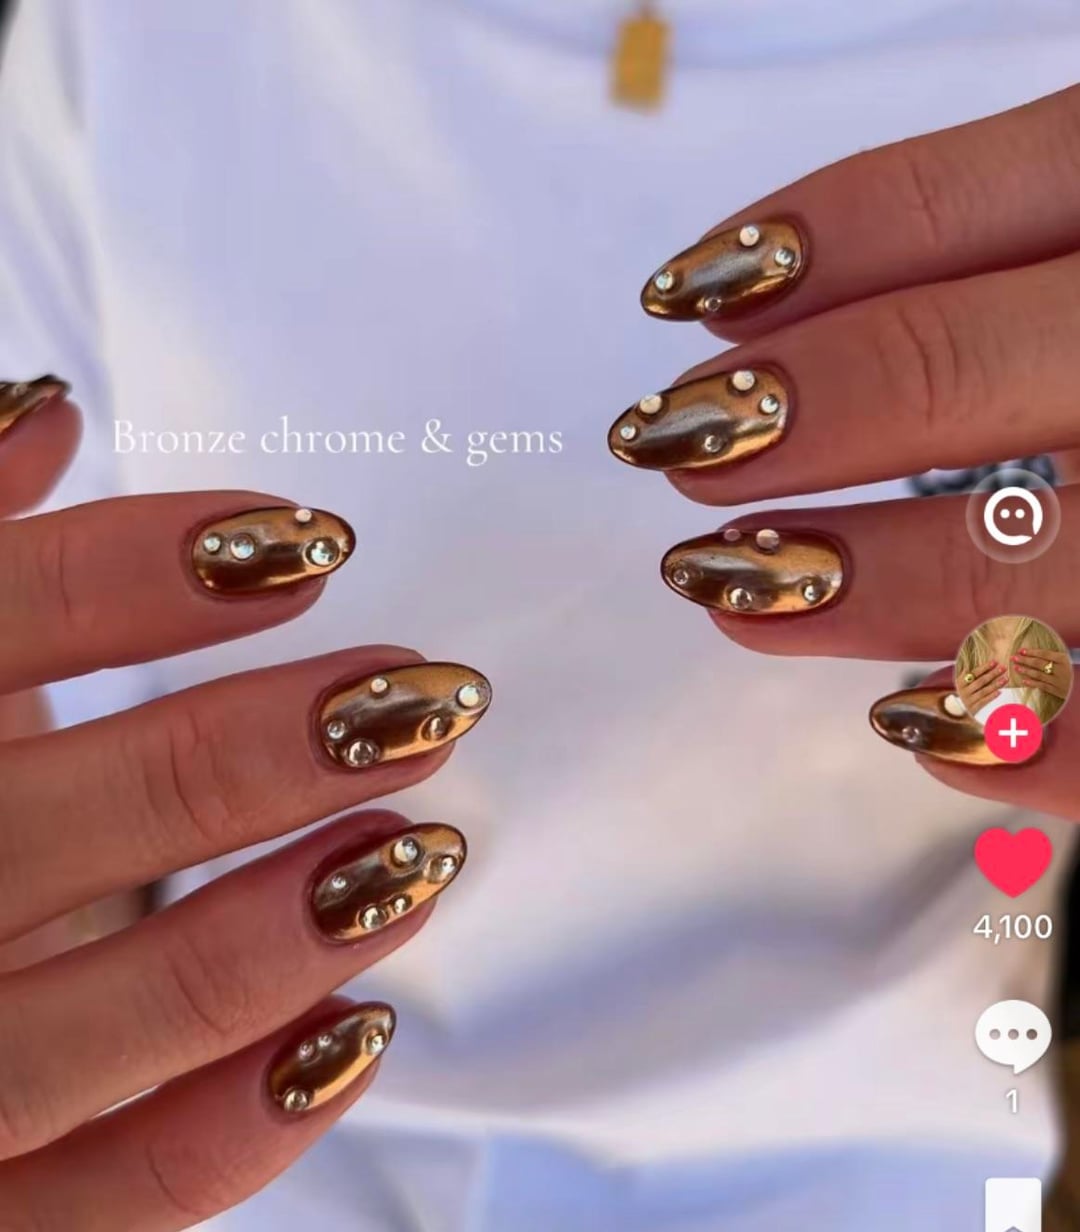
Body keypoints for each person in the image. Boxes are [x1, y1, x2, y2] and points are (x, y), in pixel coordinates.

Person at [1, 1, 1079, 1228]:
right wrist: (49, 958)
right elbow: (80, 792)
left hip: (895, 1168)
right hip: (237, 1165)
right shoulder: (134, 34)